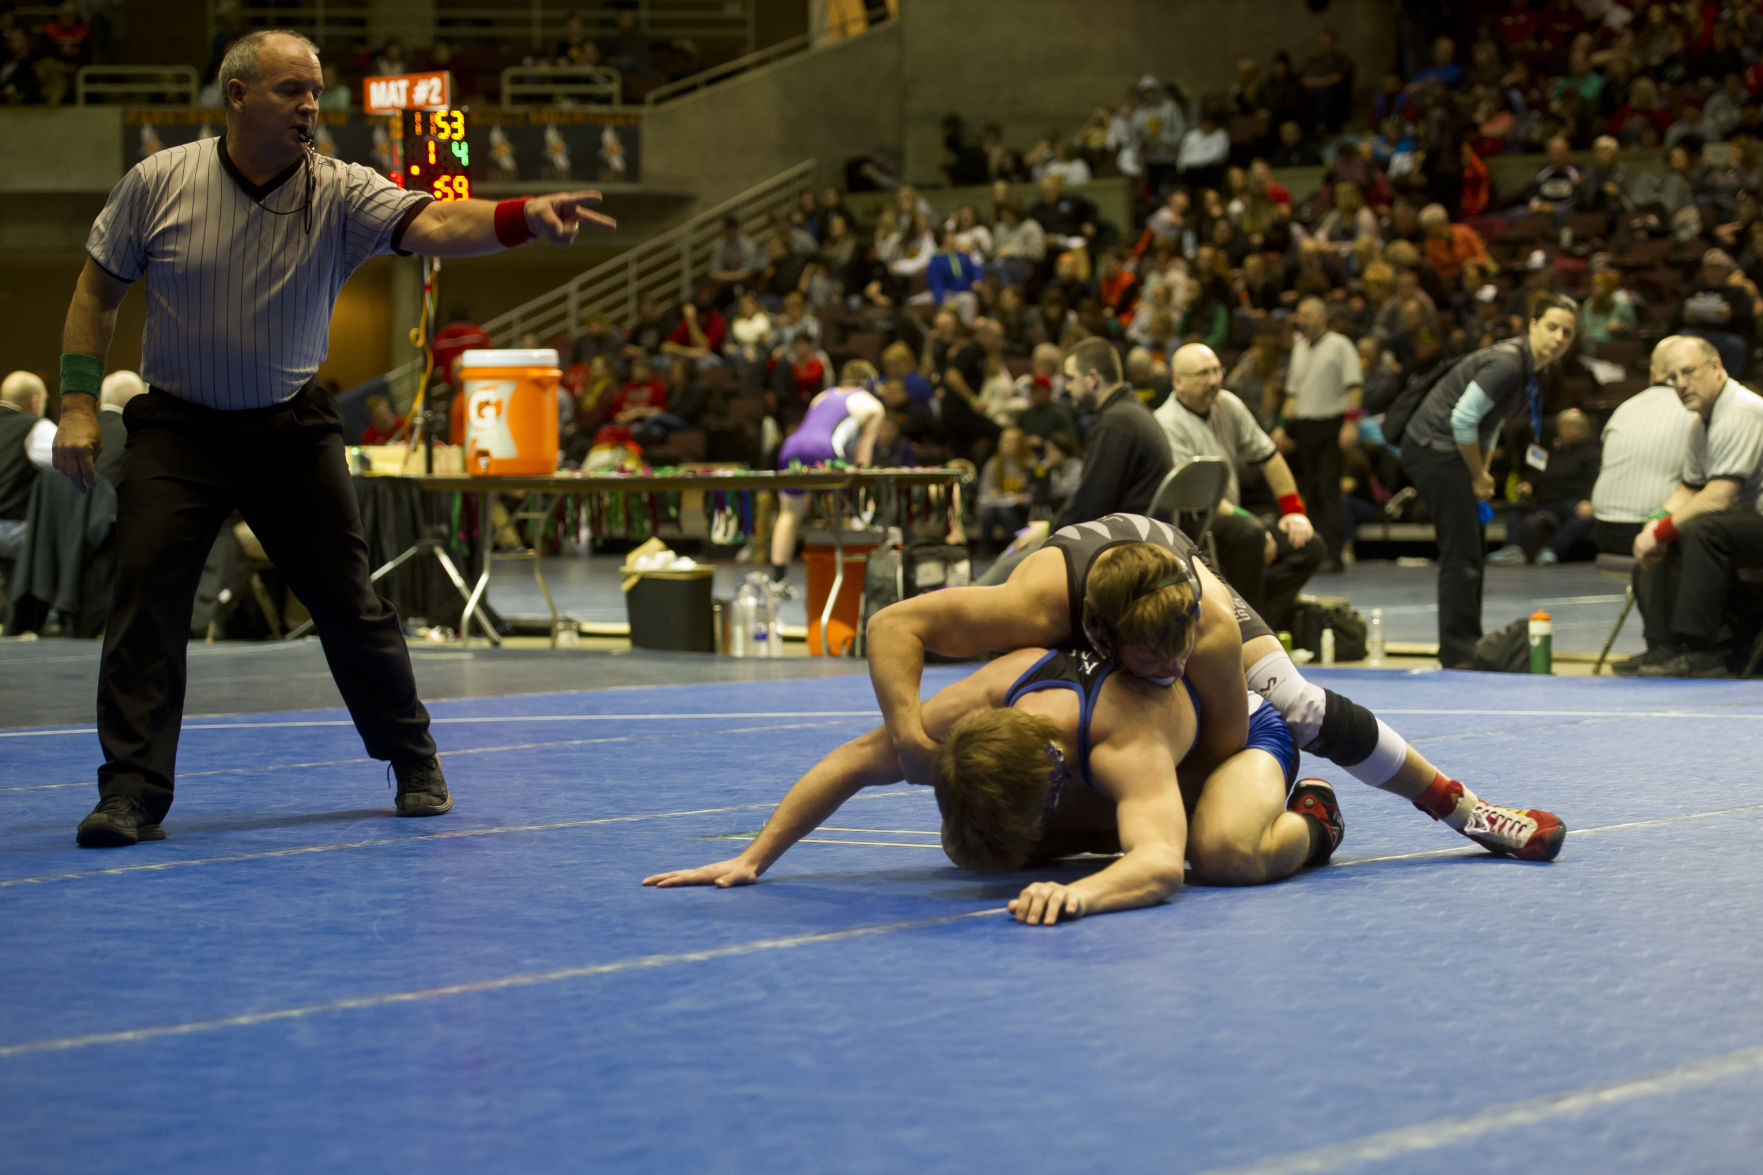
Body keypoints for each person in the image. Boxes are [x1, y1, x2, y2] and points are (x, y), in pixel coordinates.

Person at [51, 29, 615, 847]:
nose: (311, 105)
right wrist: (75, 403)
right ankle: (131, 793)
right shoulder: (156, 182)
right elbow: (94, 293)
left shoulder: (342, 191)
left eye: (316, 91)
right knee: (145, 600)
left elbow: (441, 223)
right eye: (290, 90)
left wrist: (524, 215)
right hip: (178, 429)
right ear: (237, 96)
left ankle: (412, 757)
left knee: (351, 605)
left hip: (290, 426)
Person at [646, 547, 1335, 924]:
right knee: (972, 853)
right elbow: (855, 760)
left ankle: (1314, 820)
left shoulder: (1129, 736)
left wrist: (1081, 893)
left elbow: (1158, 867)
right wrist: (753, 857)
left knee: (1219, 858)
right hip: (1113, 763)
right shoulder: (980, 699)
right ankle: (1096, 827)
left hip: (1242, 735)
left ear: (1054, 768)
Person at [862, 511, 1564, 863]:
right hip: (1098, 594)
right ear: (1103, 642)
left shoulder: (1205, 627)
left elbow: (1223, 743)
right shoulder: (1029, 609)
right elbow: (894, 625)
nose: (1171, 668)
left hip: (1165, 570)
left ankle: (1464, 808)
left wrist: (1193, 809)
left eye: (1178, 656)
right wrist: (907, 738)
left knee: (1297, 705)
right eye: (1155, 661)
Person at [1397, 294, 1580, 668]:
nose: (1559, 337)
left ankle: (1464, 642)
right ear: (1531, 325)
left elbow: (1491, 421)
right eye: (1551, 327)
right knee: (1461, 551)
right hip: (1433, 447)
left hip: (1448, 451)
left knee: (1470, 548)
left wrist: (1480, 473)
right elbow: (1463, 419)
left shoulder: (1533, 368)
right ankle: (1458, 651)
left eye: (1568, 332)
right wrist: (1478, 473)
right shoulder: (1508, 363)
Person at [1155, 343, 1322, 628]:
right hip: (1193, 525)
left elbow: (1269, 456)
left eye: (1217, 371)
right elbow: (1203, 498)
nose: (1214, 380)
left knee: (1309, 545)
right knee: (1249, 534)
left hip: (1231, 520)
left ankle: (1256, 619)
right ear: (1178, 382)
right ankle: (1251, 630)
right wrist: (1251, 522)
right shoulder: (1167, 422)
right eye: (1203, 374)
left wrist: (1294, 511)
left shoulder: (1227, 403)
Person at [1625, 336, 1763, 678]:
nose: (1681, 384)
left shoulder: (1741, 411)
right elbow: (1688, 489)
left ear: (1716, 367)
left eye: (1688, 372)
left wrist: (1662, 529)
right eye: (1673, 378)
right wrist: (1653, 525)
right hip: (1745, 522)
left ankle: (1704, 651)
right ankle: (1663, 648)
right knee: (1664, 533)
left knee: (1702, 528)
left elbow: (1718, 497)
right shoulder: (1702, 422)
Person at [767, 362, 885, 584]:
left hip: (791, 447)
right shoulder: (873, 405)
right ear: (869, 382)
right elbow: (864, 450)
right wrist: (862, 482)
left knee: (789, 513)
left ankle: (778, 579)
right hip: (825, 449)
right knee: (851, 507)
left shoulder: (821, 396)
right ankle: (851, 573)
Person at [1591, 337, 1700, 560]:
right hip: (1652, 527)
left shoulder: (1623, 409)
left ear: (1653, 372)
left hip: (1604, 526)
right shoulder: (1694, 410)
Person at [1279, 297, 1362, 570]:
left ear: (1322, 317)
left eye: (1307, 315)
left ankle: (1333, 554)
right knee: (1310, 491)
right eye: (1299, 315)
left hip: (1331, 424)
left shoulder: (1340, 345)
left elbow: (1354, 387)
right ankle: (1313, 552)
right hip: (1305, 426)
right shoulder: (1300, 348)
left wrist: (1351, 423)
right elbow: (1293, 393)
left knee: (1328, 489)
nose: (1301, 320)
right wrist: (1281, 426)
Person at [1489, 408, 1601, 565]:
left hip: (1572, 500)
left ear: (1583, 428)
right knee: (1517, 511)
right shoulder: (1551, 450)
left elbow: (1595, 479)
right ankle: (1512, 549)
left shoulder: (1592, 453)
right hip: (1545, 499)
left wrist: (1589, 500)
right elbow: (1538, 474)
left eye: (1572, 425)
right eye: (1564, 425)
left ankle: (1551, 550)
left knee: (1584, 518)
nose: (1567, 429)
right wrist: (1529, 485)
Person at [0, 370, 46, 562]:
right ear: (34, 401)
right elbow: (69, 463)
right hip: (10, 530)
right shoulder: (35, 427)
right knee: (63, 540)